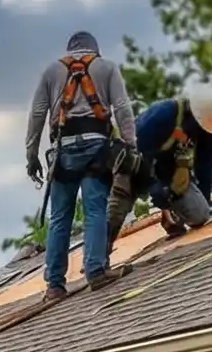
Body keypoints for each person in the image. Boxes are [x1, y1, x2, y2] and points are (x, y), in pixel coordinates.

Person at [26, 30, 134, 299]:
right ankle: (96, 271)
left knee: (60, 217)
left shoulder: (52, 71)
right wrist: (132, 145)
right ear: (94, 50)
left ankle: (54, 285)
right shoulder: (107, 67)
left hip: (63, 150)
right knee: (95, 210)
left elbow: (38, 113)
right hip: (96, 147)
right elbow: (121, 107)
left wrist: (31, 156)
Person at [109, 88, 212, 235]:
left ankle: (173, 212)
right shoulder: (162, 115)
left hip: (168, 168)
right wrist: (157, 191)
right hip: (135, 167)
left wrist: (204, 198)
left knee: (200, 215)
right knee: (115, 212)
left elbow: (205, 164)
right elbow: (137, 155)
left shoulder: (210, 127)